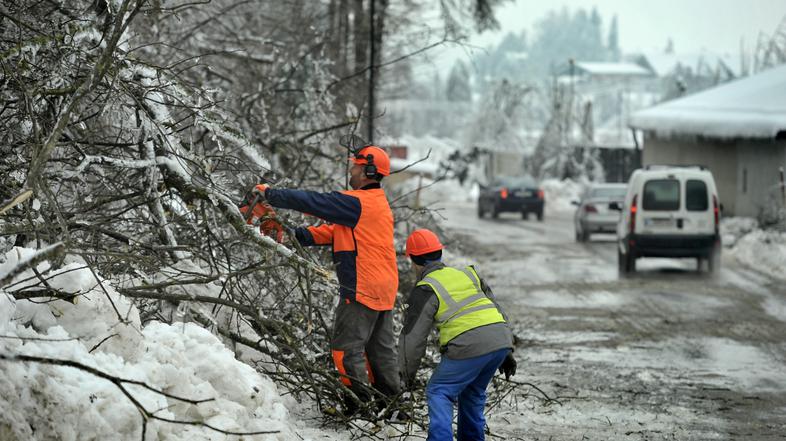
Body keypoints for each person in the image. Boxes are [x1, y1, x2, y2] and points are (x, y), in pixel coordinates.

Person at [248, 145, 400, 412]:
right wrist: (293, 234)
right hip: (384, 288)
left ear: (367, 171)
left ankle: (359, 407)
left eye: (355, 166)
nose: (351, 170)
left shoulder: (357, 203)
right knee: (380, 352)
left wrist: (270, 194)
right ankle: (391, 405)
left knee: (345, 350)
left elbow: (315, 202)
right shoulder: (375, 204)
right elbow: (332, 233)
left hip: (362, 287)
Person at [398, 228, 517, 440]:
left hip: (467, 346)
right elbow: (495, 310)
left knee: (439, 391)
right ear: (439, 253)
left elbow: (413, 338)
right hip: (500, 341)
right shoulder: (468, 274)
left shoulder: (425, 288)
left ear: (414, 261)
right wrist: (507, 351)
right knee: (472, 393)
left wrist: (405, 376)